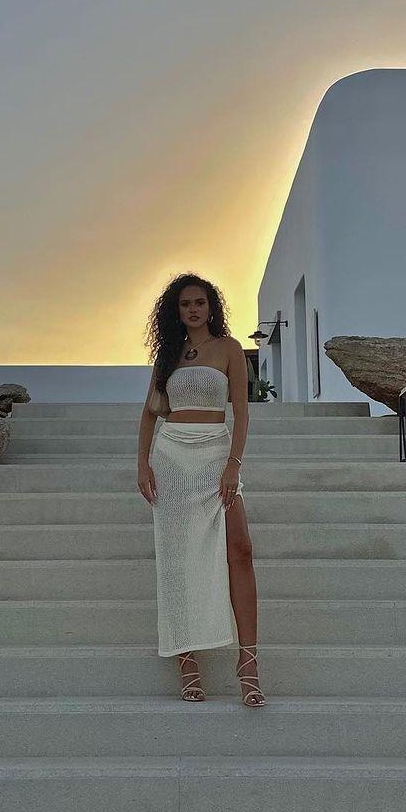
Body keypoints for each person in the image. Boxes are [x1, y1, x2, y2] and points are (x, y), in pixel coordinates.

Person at [137, 273, 265, 706]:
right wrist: (142, 465)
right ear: (176, 311)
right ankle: (186, 660)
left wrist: (234, 463)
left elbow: (242, 414)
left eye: (200, 302)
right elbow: (151, 413)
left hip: (215, 456)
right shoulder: (169, 356)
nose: (193, 309)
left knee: (240, 551)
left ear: (212, 307)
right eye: (185, 304)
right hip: (171, 459)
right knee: (178, 557)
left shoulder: (229, 349)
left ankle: (248, 664)